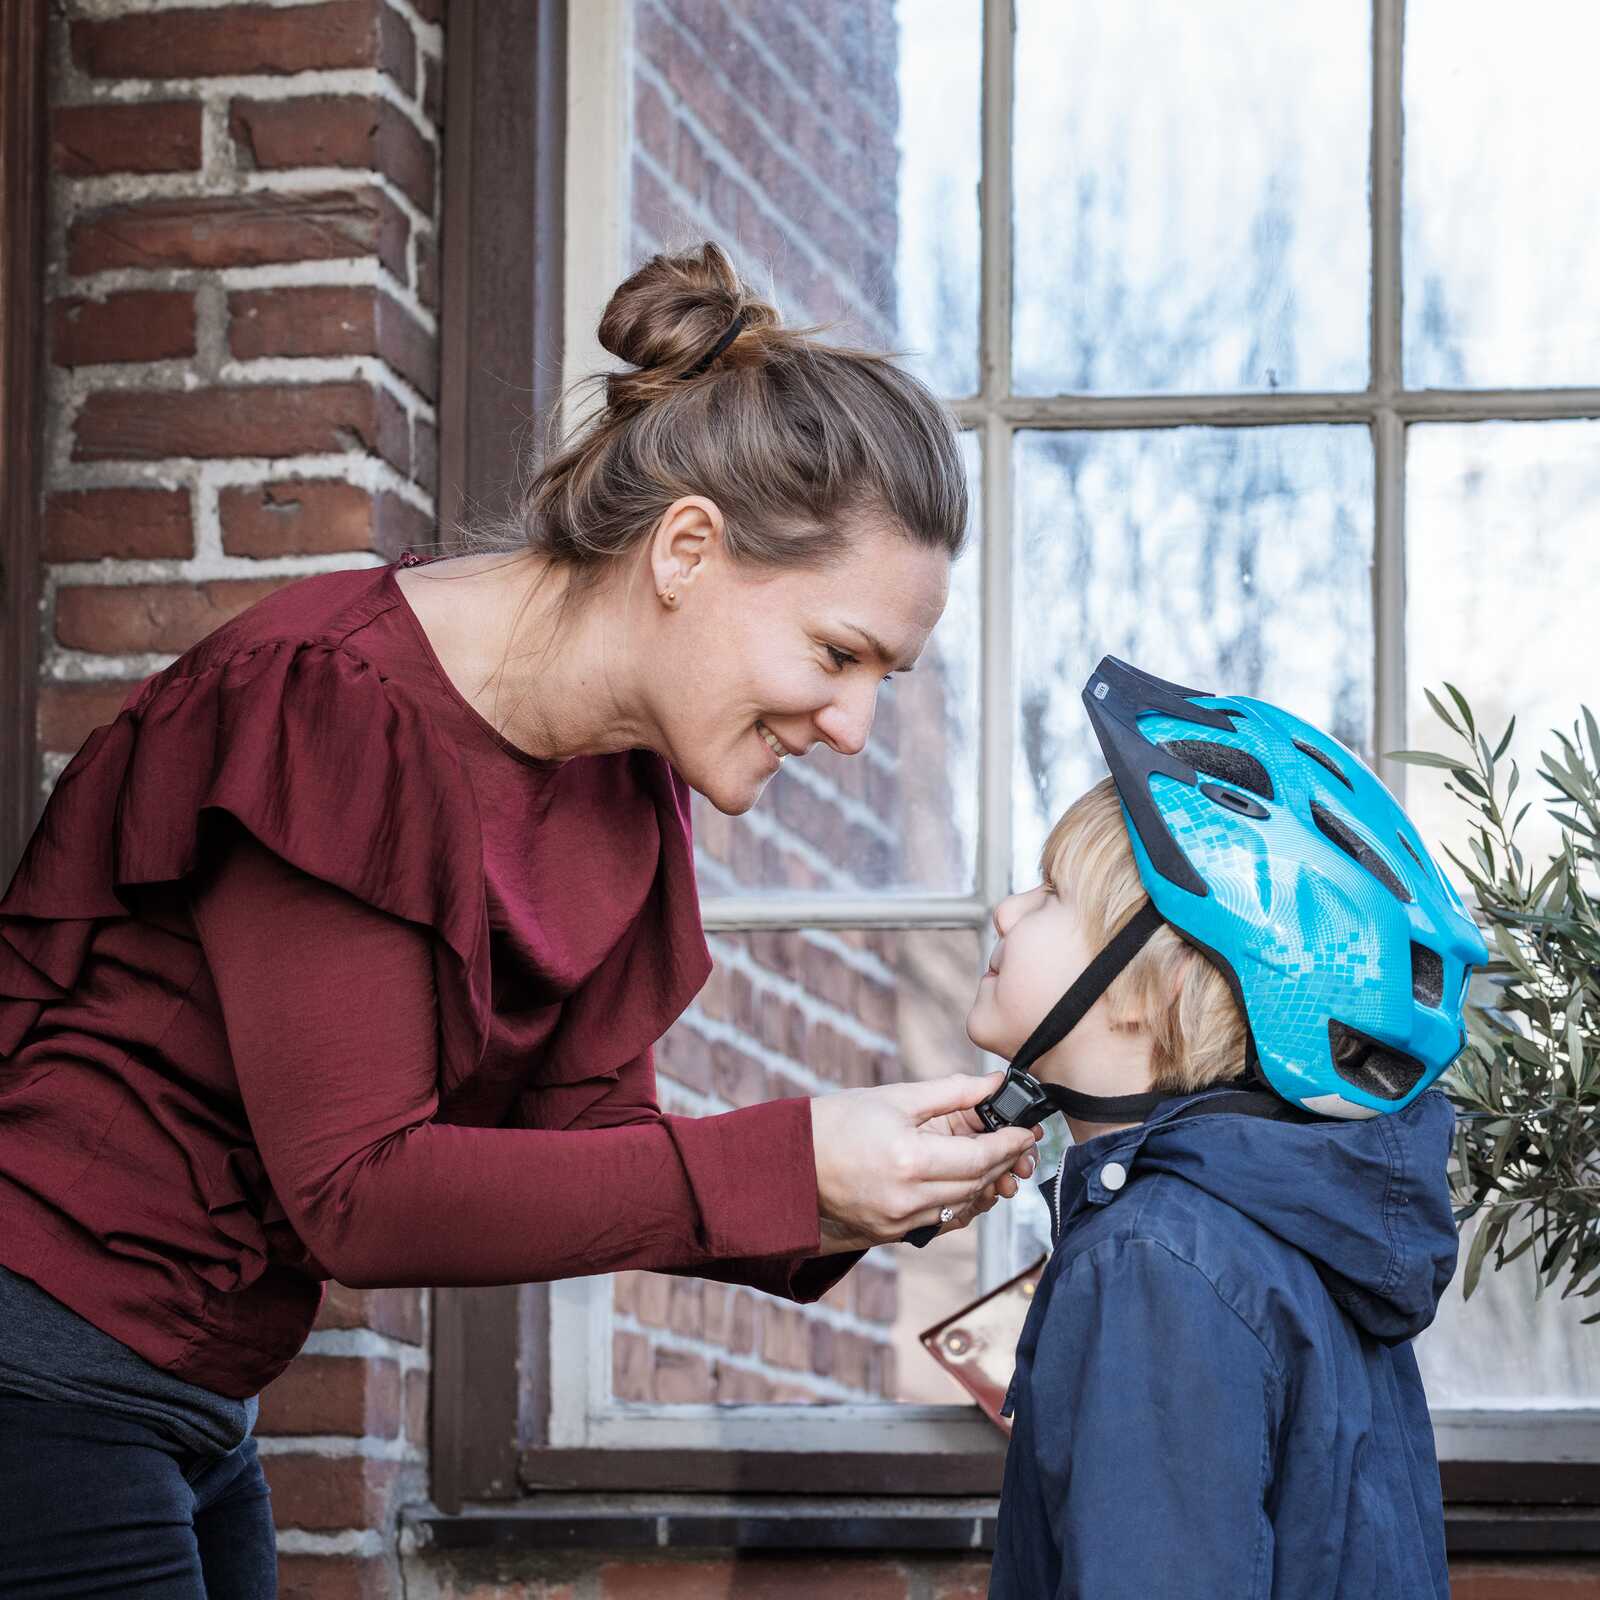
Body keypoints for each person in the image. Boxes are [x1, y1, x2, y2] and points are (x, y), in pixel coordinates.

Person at [0, 240, 1041, 1594]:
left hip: (197, 1402)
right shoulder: (338, 707)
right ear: (685, 548)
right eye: (838, 655)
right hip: (43, 1373)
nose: (851, 727)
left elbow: (584, 1164)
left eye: (882, 678)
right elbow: (361, 1195)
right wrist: (788, 1161)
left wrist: (866, 1191)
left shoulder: (626, 798)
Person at [977, 656, 1487, 1600]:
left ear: (1151, 989)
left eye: (1049, 895)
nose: (1005, 911)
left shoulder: (1157, 1264)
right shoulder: (1289, 1229)